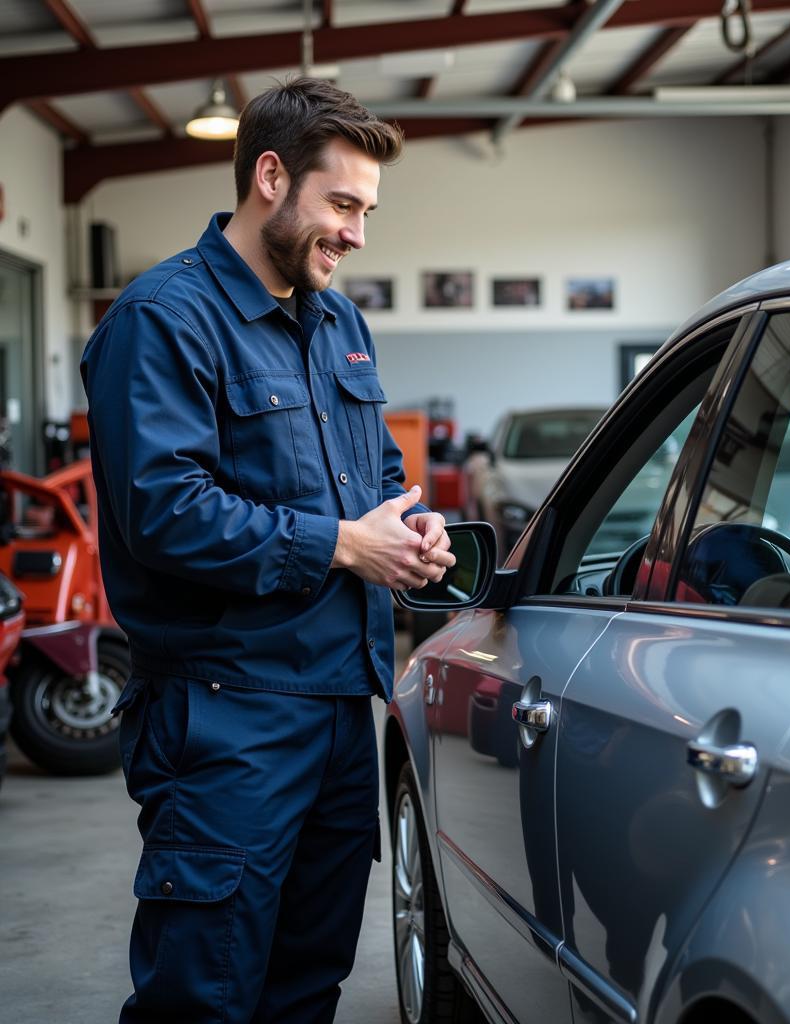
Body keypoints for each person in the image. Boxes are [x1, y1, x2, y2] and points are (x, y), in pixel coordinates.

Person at [80, 78, 454, 1024]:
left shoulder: (341, 325)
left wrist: (409, 527)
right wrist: (338, 544)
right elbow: (160, 510)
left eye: (368, 211)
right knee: (202, 996)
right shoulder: (163, 318)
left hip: (338, 711)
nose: (358, 233)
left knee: (305, 985)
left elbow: (377, 470)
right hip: (224, 717)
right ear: (271, 177)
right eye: (342, 205)